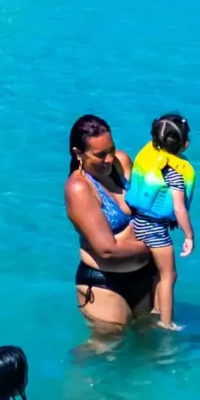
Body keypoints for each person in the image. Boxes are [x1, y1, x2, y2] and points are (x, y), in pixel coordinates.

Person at [64, 114, 164, 330]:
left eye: (111, 149)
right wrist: (156, 245)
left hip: (145, 274)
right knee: (108, 345)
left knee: (150, 339)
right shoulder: (79, 188)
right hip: (106, 283)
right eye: (100, 155)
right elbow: (107, 249)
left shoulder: (121, 163)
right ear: (78, 153)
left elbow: (150, 206)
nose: (109, 159)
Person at [124, 113, 194, 330]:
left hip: (136, 220)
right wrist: (189, 236)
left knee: (158, 272)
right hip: (154, 229)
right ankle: (166, 322)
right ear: (185, 144)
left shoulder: (148, 153)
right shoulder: (174, 173)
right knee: (169, 275)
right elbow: (179, 208)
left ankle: (156, 309)